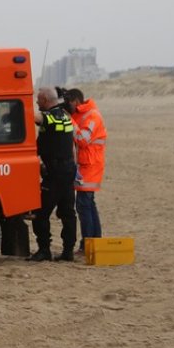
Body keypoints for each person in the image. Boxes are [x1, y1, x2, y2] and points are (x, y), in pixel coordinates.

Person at [29, 87, 77, 262]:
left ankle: (44, 250)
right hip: (68, 171)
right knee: (67, 213)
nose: (36, 102)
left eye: (38, 100)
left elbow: (34, 117)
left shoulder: (53, 117)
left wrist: (20, 103)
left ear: (46, 100)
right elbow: (72, 147)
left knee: (40, 213)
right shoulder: (65, 116)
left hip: (56, 173)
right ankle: (68, 251)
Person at [65, 88, 107, 251]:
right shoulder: (83, 114)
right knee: (88, 203)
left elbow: (83, 139)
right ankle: (95, 241)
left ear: (75, 101)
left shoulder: (93, 116)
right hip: (87, 165)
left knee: (83, 205)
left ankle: (88, 243)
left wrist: (70, 120)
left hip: (91, 165)